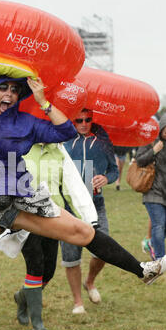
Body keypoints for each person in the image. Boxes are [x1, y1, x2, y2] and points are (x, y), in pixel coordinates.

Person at [0, 60, 166, 330]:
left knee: (81, 231)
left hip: (21, 198)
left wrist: (43, 101)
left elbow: (65, 131)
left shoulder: (26, 122)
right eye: (3, 87)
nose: (9, 93)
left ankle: (143, 270)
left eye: (14, 89)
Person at [6, 141, 98, 330]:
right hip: (25, 218)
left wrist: (84, 219)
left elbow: (69, 187)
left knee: (48, 272)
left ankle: (22, 297)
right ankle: (37, 325)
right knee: (36, 266)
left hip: (52, 216)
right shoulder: (19, 147)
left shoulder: (58, 151)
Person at [60, 109, 119, 313]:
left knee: (105, 249)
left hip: (96, 204)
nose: (84, 123)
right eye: (79, 120)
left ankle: (90, 281)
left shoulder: (102, 140)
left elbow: (114, 170)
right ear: (72, 121)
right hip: (69, 207)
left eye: (88, 120)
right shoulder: (64, 141)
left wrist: (106, 178)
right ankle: (78, 302)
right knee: (71, 256)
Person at [135, 114, 166, 260]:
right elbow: (140, 161)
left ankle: (152, 243)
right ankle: (159, 259)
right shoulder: (149, 140)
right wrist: (154, 150)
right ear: (160, 130)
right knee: (158, 226)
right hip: (153, 189)